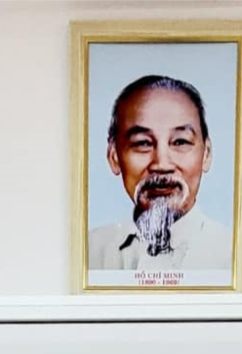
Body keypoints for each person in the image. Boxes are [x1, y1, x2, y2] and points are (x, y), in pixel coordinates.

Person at [86, 75, 233, 279]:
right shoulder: (88, 253)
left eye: (180, 142)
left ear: (206, 154)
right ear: (114, 157)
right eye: (143, 143)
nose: (162, 165)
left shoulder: (233, 256)